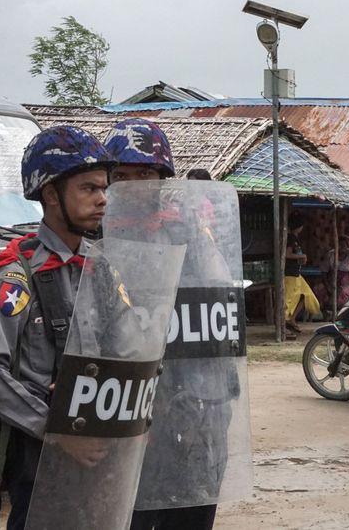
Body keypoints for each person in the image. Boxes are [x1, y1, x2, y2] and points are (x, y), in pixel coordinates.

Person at [0, 126, 118, 530]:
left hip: (103, 454)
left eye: (103, 188)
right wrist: (54, 431)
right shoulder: (17, 275)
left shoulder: (101, 267)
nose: (102, 198)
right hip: (40, 459)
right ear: (51, 195)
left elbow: (127, 348)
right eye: (88, 188)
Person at [105, 118, 236, 530]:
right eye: (120, 176)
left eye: (144, 174)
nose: (133, 186)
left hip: (195, 403)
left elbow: (217, 303)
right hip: (129, 407)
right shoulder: (97, 237)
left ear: (163, 178)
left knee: (193, 510)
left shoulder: (188, 234)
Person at [284, 213, 321, 337]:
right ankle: (285, 324)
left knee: (306, 296)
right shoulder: (290, 238)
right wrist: (302, 256)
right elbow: (286, 255)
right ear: (299, 226)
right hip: (289, 274)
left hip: (296, 273)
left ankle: (291, 319)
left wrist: (299, 258)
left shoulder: (294, 238)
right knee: (288, 301)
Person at [313, 234, 349, 316]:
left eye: (344, 245)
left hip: (345, 283)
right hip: (330, 281)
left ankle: (339, 315)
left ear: (348, 246)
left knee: (342, 292)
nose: (342, 247)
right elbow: (324, 272)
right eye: (340, 245)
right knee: (318, 289)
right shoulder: (330, 254)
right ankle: (324, 312)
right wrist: (327, 286)